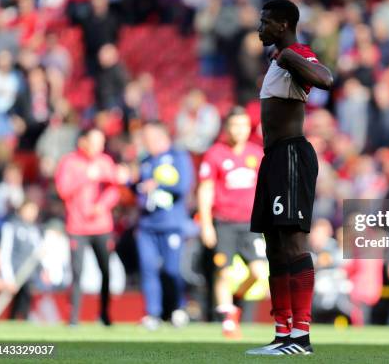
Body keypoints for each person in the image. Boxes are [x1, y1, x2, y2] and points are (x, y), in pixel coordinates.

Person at [245, 0, 333, 356]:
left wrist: (289, 57)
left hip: (292, 156)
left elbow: (326, 78)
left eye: (264, 21)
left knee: (294, 245)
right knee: (274, 248)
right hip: (274, 159)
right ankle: (283, 334)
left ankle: (301, 336)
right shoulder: (279, 57)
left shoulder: (296, 52)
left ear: (282, 24)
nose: (259, 27)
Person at [198, 106, 266, 338]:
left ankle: (234, 298)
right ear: (227, 128)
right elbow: (205, 190)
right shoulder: (215, 154)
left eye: (243, 125)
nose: (239, 130)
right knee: (223, 272)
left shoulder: (256, 154)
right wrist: (206, 224)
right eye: (235, 125)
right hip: (224, 223)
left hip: (250, 224)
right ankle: (228, 320)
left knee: (258, 273)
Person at [55, 127, 126, 326]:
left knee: (106, 270)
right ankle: (73, 318)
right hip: (77, 227)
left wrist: (101, 206)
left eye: (102, 143)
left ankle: (104, 314)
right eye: (96, 142)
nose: (100, 147)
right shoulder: (69, 162)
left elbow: (114, 189)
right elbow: (63, 190)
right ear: (83, 142)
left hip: (101, 225)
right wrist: (86, 176)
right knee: (77, 272)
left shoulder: (105, 161)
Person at [134, 121, 194, 330]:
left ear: (162, 137)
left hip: (171, 224)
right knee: (148, 268)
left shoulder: (178, 157)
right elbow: (139, 189)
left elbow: (183, 186)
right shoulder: (145, 160)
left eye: (148, 138)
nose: (145, 142)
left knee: (171, 269)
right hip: (147, 224)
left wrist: (158, 185)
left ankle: (177, 308)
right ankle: (153, 313)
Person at [0, 199, 43, 320]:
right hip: (16, 273)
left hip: (30, 274)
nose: (32, 214)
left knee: (26, 301)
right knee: (12, 303)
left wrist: (42, 269)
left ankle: (23, 321)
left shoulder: (35, 229)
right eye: (30, 210)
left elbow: (38, 252)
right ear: (22, 210)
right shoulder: (11, 226)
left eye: (35, 211)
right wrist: (8, 276)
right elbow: (5, 252)